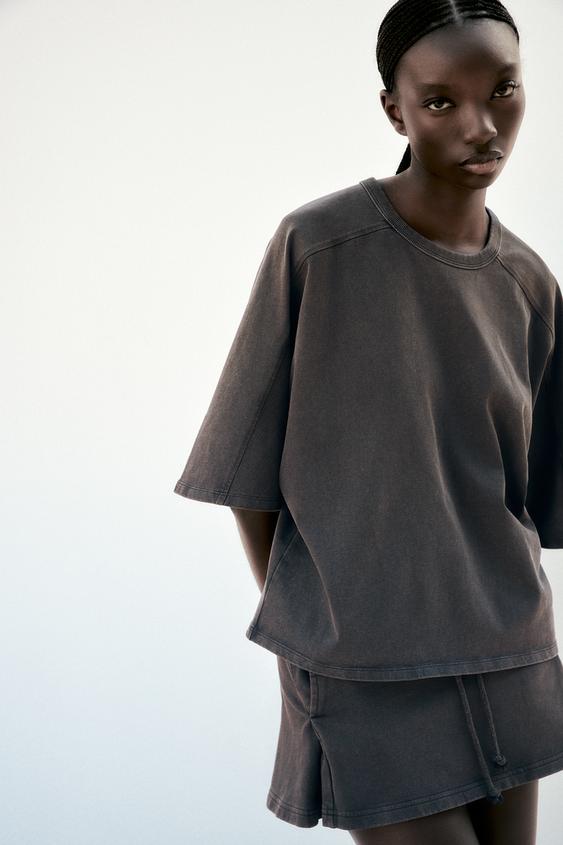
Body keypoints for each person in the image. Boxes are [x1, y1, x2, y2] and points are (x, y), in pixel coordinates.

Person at [173, 1, 563, 842]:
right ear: (394, 110)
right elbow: (245, 471)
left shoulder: (530, 283)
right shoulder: (318, 246)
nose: (481, 126)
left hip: (509, 655)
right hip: (365, 668)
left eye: (502, 91)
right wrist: (320, 627)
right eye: (440, 101)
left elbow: (530, 500)